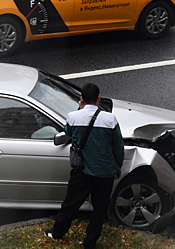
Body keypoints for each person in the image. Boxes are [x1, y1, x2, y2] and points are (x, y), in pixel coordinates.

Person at [45, 83, 124, 249]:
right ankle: (90, 243)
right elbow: (118, 147)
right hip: (105, 172)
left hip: (82, 171)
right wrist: (117, 167)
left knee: (70, 204)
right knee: (99, 210)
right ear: (99, 98)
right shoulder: (110, 119)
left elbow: (68, 132)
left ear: (81, 99)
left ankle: (57, 232)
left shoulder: (73, 117)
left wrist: (80, 110)